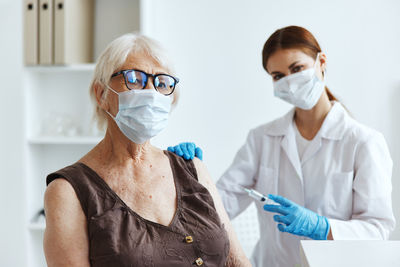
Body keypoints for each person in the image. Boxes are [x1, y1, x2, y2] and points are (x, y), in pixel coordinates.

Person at [168, 25, 396, 267]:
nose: (290, 82)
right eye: (278, 76)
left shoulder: (363, 142)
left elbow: (377, 228)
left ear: (321, 62)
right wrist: (192, 178)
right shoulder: (262, 138)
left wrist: (323, 227)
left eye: (297, 69)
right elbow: (222, 203)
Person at [43, 33, 251, 267]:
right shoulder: (68, 191)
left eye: (162, 83)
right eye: (135, 79)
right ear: (102, 94)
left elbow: (237, 261)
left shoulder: (192, 168)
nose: (151, 92)